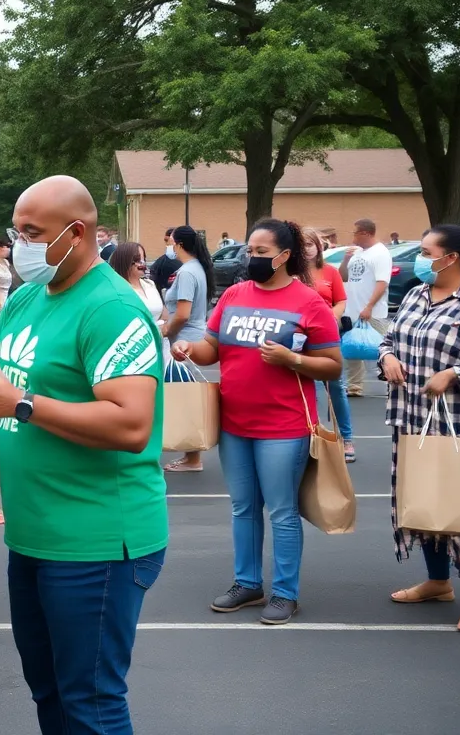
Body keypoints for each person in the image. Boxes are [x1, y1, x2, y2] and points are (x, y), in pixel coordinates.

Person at [0, 175, 167, 734]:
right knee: (49, 688)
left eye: (32, 232)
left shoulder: (111, 309)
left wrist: (23, 403)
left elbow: (131, 423)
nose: (19, 243)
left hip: (97, 539)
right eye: (17, 230)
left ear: (77, 234)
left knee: (91, 701)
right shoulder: (28, 297)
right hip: (34, 534)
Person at [173, 218, 342, 625]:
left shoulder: (309, 302)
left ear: (285, 256)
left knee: (282, 511)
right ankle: (247, 583)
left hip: (284, 426)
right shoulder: (234, 294)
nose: (253, 258)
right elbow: (213, 348)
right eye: (250, 251)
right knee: (243, 508)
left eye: (262, 252)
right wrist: (188, 348)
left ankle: (285, 593)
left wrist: (293, 360)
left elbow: (333, 367)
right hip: (235, 422)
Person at [378, 219, 460, 634]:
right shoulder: (417, 295)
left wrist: (455, 373)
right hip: (412, 419)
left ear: (451, 258)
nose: (420, 260)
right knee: (421, 500)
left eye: (426, 253)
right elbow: (390, 339)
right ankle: (438, 582)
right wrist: (386, 359)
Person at [162, 225, 214, 472]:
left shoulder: (186, 273)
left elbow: (182, 314)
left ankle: (193, 457)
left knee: (185, 400)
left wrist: (166, 331)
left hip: (185, 342)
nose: (169, 246)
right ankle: (190, 455)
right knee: (188, 398)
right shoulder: (197, 269)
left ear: (179, 245)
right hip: (192, 338)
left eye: (171, 241)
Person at [306, 229, 356, 461]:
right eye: (302, 244)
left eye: (311, 243)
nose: (307, 248)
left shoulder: (330, 272)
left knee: (336, 388)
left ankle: (346, 439)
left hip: (328, 335)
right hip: (301, 338)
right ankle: (318, 437)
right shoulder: (290, 273)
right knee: (312, 389)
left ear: (318, 246)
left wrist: (331, 318)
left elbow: (341, 300)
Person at [340, 218, 393, 397]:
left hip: (373, 311)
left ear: (365, 233)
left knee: (383, 347)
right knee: (352, 347)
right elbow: (344, 277)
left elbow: (382, 282)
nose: (352, 236)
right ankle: (354, 386)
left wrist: (369, 306)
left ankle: (392, 380)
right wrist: (346, 259)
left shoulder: (380, 253)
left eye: (354, 232)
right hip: (352, 309)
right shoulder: (358, 253)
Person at [110, 241, 170, 365]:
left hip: (160, 347)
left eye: (144, 258)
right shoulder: (117, 290)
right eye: (137, 259)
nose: (143, 263)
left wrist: (164, 327)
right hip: (134, 353)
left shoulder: (150, 284)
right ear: (125, 261)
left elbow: (164, 314)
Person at [151, 227, 181, 295]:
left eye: (168, 240)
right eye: (166, 240)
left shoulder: (188, 264)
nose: (167, 244)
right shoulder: (161, 261)